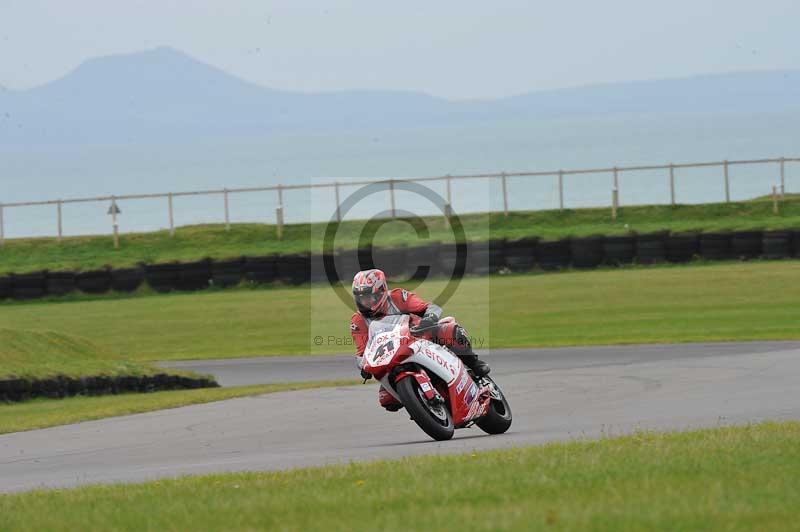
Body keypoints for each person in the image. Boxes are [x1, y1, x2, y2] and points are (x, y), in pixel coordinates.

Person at [350, 268, 490, 411]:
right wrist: (364, 366)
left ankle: (473, 364)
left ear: (381, 291)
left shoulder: (398, 297)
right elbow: (361, 353)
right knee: (386, 399)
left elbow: (430, 308)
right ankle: (420, 404)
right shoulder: (358, 321)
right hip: (391, 356)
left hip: (419, 338)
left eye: (368, 296)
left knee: (449, 330)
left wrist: (428, 319)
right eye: (360, 297)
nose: (364, 301)